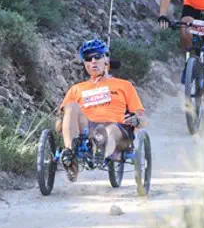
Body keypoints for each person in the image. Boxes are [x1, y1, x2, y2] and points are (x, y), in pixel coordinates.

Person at [56, 38, 147, 182]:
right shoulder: (76, 89)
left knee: (110, 130)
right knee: (71, 106)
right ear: (85, 63)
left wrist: (136, 119)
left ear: (106, 60)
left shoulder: (124, 85)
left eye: (97, 57)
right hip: (87, 129)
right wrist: (65, 122)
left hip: (117, 128)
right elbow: (60, 125)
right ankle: (69, 155)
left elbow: (142, 120)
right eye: (88, 58)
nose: (93, 61)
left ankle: (101, 148)